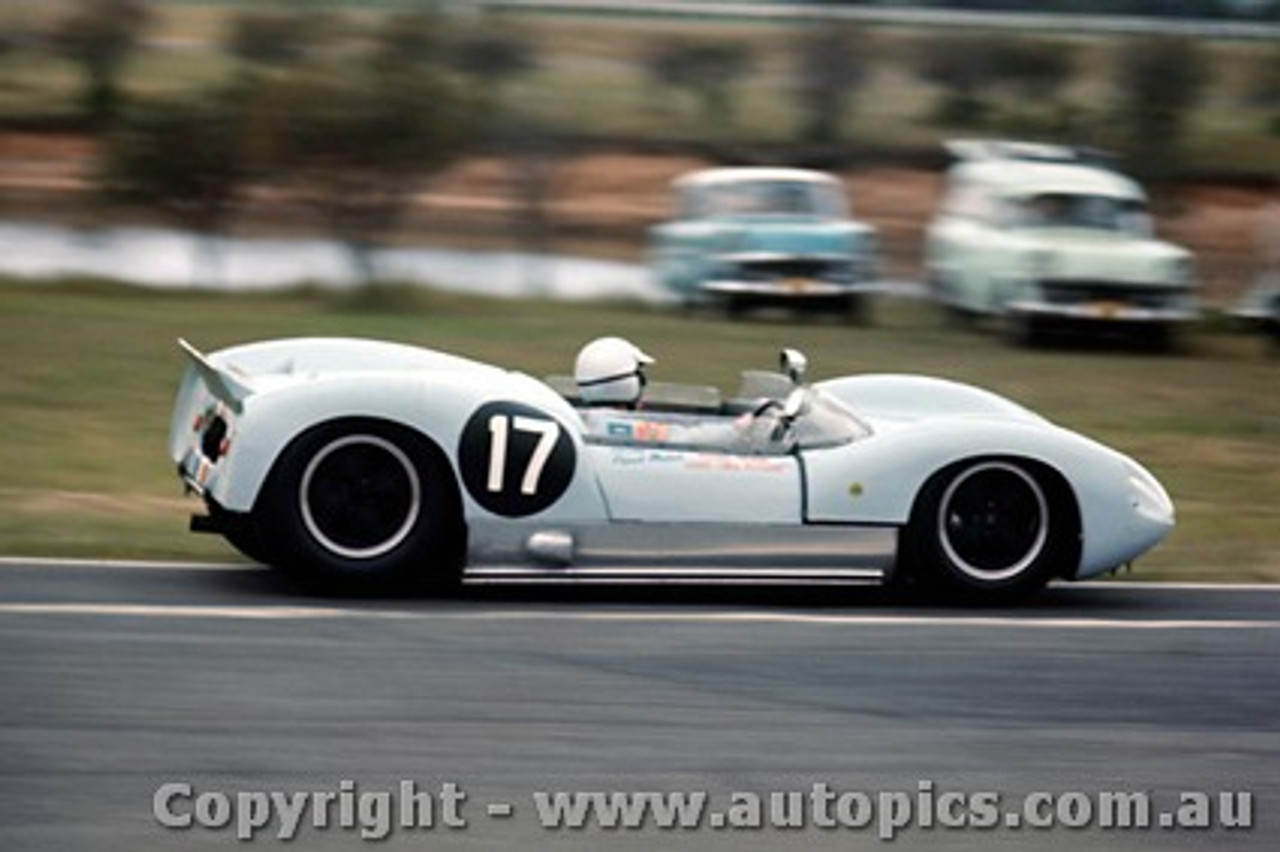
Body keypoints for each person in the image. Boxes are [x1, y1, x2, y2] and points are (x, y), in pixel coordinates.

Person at [572, 337, 794, 453]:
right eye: (640, 375)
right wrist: (742, 425)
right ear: (628, 382)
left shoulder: (587, 419)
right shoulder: (618, 426)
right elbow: (686, 439)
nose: (644, 382)